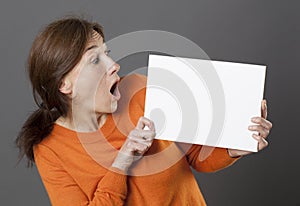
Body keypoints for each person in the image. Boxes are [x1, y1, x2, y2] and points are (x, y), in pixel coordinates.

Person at [16, 17, 273, 206]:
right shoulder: (50, 150)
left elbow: (194, 155)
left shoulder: (140, 88)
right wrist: (123, 161)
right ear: (65, 85)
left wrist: (233, 148)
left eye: (107, 54)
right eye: (95, 60)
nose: (114, 65)